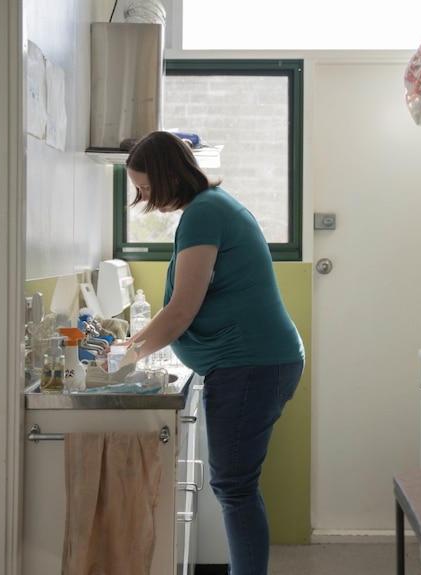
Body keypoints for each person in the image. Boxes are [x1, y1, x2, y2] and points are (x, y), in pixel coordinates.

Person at [120, 130, 304, 575]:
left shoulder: (204, 214)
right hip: (256, 363)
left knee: (235, 487)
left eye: (144, 187)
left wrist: (124, 358)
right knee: (236, 486)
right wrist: (131, 347)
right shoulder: (210, 208)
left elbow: (181, 310)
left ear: (167, 176)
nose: (142, 197)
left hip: (251, 366)